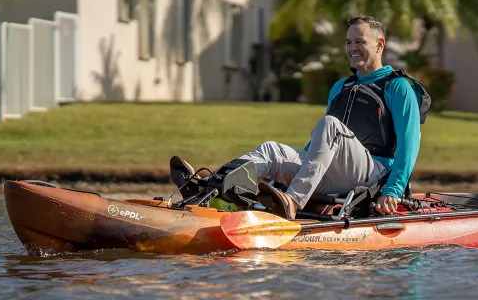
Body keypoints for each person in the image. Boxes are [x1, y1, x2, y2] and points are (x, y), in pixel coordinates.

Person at [169, 15, 429, 218]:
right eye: (348, 42)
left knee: (329, 125)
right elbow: (320, 148)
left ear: (379, 44)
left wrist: (392, 191)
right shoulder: (341, 87)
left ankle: (292, 203)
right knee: (272, 150)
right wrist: (282, 173)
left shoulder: (397, 87)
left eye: (359, 42)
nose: (352, 48)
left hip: (373, 171)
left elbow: (409, 144)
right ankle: (211, 187)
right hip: (334, 172)